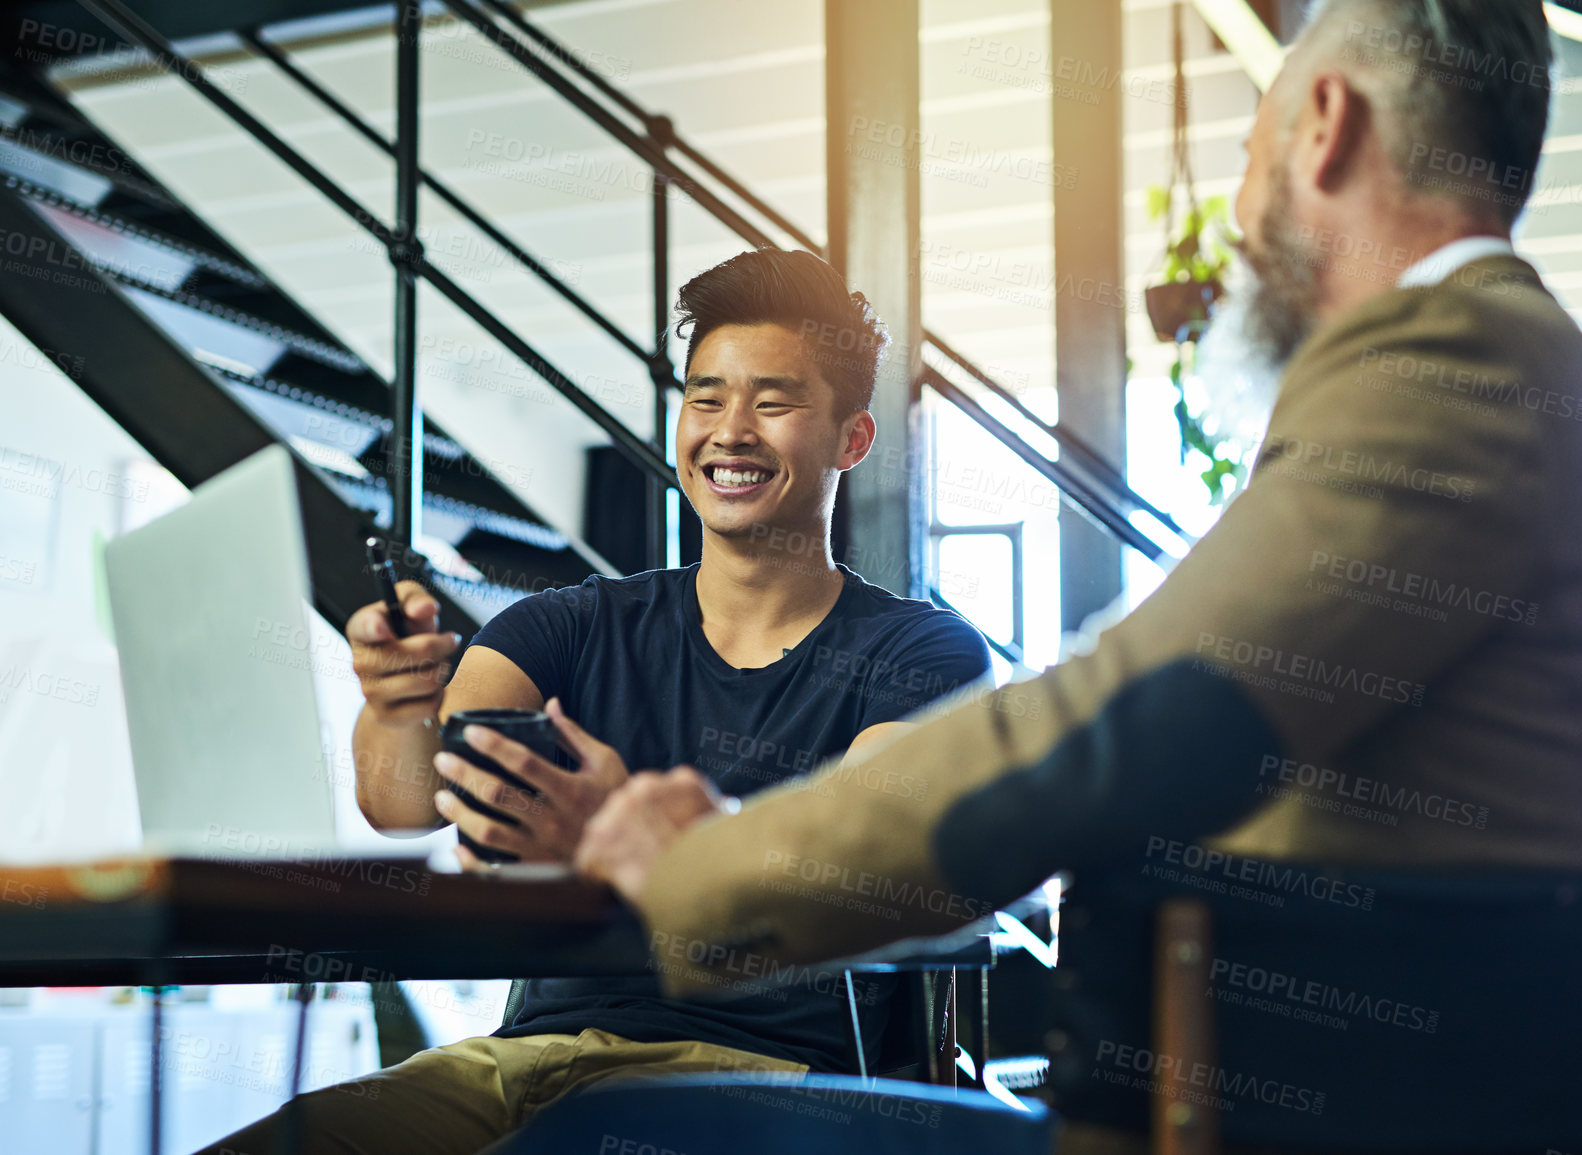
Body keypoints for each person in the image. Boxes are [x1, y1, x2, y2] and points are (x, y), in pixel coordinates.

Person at [575, 0, 1582, 1147]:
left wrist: (701, 875)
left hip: (1397, 1113)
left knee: (598, 1133)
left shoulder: (1453, 367)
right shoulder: (1536, 375)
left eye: (1249, 148)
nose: (1238, 209)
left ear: (1322, 123)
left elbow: (1137, 718)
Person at [199, 248, 991, 1155]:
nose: (729, 431)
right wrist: (395, 707)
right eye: (704, 397)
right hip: (522, 1058)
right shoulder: (566, 625)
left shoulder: (922, 652)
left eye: (772, 402)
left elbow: (867, 856)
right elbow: (404, 801)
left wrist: (640, 837)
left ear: (851, 438)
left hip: (753, 1072)